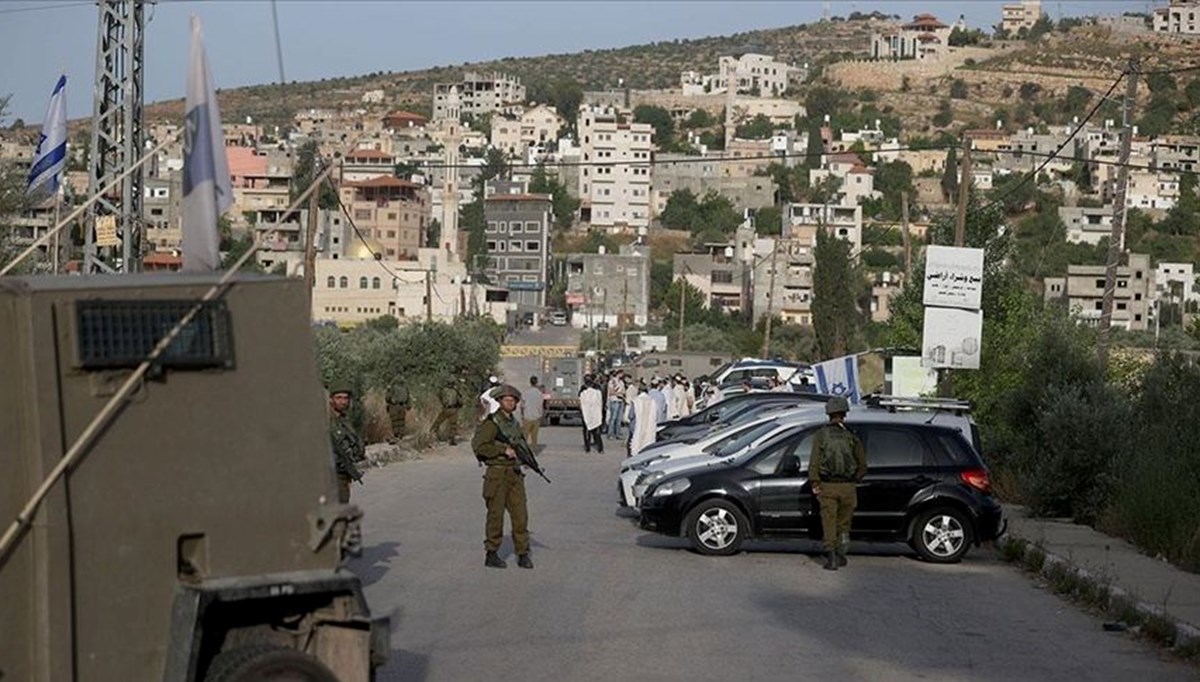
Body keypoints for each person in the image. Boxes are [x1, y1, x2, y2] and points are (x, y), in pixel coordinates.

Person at [471, 384, 534, 569]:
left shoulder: (513, 423)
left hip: (514, 474)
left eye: (513, 400)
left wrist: (526, 460)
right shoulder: (491, 423)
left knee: (520, 516)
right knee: (495, 516)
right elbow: (480, 447)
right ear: (499, 402)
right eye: (507, 400)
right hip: (497, 474)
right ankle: (491, 553)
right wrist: (502, 450)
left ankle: (523, 553)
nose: (510, 403)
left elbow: (520, 444)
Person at [807, 396, 868, 571]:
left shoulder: (821, 435)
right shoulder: (851, 435)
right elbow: (863, 465)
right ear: (844, 413)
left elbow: (814, 462)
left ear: (828, 414)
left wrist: (815, 482)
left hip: (828, 486)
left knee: (829, 522)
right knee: (844, 523)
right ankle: (842, 554)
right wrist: (854, 479)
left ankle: (832, 558)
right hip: (848, 487)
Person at [327, 383, 365, 503]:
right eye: (339, 398)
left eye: (346, 398)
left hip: (343, 475)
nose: (343, 402)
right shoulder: (326, 420)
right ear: (331, 399)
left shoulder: (344, 420)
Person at [629, 383, 658, 456]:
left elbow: (631, 415)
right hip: (649, 426)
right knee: (647, 441)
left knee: (634, 442)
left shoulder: (636, 401)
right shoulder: (652, 401)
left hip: (636, 425)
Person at [432, 376, 463, 445]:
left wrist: (443, 403)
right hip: (454, 409)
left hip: (446, 409)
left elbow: (439, 396)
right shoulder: (455, 391)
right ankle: (452, 439)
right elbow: (460, 401)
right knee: (453, 425)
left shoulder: (443, 390)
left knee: (437, 422)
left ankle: (435, 435)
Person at [580, 377, 604, 453]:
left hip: (586, 414)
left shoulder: (583, 394)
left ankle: (587, 448)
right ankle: (600, 448)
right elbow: (601, 403)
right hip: (596, 414)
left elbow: (581, 404)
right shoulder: (598, 393)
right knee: (597, 432)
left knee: (587, 431)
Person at [520, 376, 545, 449]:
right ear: (537, 383)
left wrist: (522, 415)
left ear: (530, 382)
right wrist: (541, 415)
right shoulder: (539, 394)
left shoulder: (526, 392)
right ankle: (534, 449)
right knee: (534, 436)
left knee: (525, 435)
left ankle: (523, 450)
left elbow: (522, 405)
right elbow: (541, 405)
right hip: (536, 417)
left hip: (527, 416)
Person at [385, 379, 410, 444]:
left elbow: (387, 398)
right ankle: (400, 436)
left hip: (394, 406)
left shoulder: (391, 386)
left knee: (395, 422)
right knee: (401, 421)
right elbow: (408, 396)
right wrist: (408, 405)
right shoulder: (405, 386)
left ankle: (396, 436)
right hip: (402, 406)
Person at [606, 371, 626, 441]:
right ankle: (610, 434)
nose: (622, 375)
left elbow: (624, 391)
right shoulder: (612, 381)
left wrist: (622, 394)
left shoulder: (621, 382)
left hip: (621, 400)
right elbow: (611, 392)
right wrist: (618, 393)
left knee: (619, 419)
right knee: (613, 418)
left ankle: (618, 433)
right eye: (621, 374)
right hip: (614, 400)